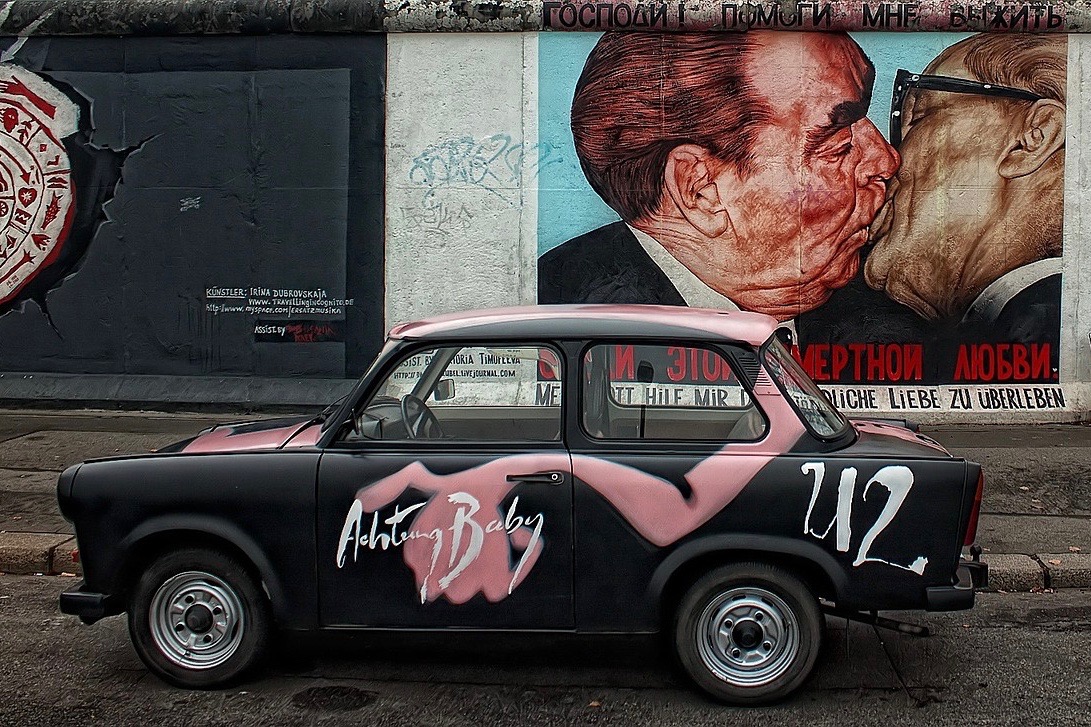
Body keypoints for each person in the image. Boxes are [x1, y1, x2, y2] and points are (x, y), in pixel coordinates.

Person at [538, 31, 900, 322]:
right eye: (836, 145)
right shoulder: (560, 315)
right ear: (701, 191)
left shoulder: (882, 323)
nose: (886, 161)